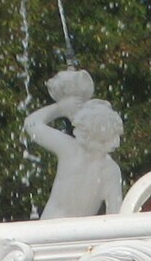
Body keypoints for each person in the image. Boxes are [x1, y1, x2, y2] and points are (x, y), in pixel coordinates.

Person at [25, 70, 125, 220]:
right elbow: (116, 216)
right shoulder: (111, 170)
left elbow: (32, 125)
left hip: (49, 225)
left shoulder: (70, 149)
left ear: (83, 128)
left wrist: (60, 108)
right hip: (78, 234)